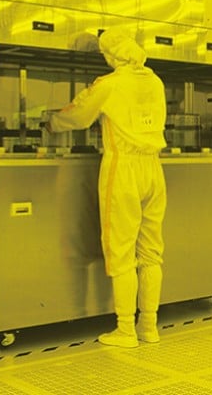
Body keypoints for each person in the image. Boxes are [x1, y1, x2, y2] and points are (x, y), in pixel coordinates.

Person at [48, 29, 168, 347]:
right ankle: (149, 326)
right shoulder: (155, 82)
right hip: (154, 168)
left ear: (112, 55)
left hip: (124, 168)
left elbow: (78, 116)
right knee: (151, 252)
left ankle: (125, 329)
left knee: (121, 251)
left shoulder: (110, 84)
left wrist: (50, 123)